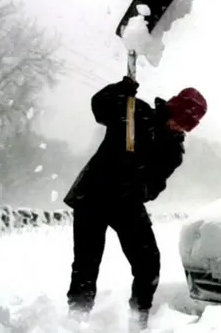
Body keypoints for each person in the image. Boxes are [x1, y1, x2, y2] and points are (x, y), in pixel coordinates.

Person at [62, 76, 207, 331]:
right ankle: (76, 317)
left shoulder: (173, 150)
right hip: (93, 194)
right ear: (172, 108)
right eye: (179, 119)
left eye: (186, 126)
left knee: (149, 263)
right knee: (86, 262)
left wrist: (139, 186)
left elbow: (156, 184)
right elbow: (99, 106)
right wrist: (119, 90)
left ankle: (138, 318)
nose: (179, 127)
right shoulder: (134, 110)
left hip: (126, 203)